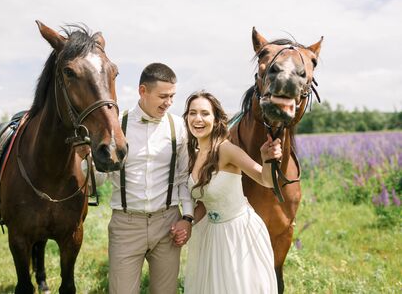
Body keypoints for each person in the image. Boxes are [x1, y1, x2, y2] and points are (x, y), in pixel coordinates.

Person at [99, 63, 194, 294]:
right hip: (126, 225)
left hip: (167, 223)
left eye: (172, 96)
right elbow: (99, 179)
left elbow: (183, 177)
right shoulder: (116, 125)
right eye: (163, 96)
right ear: (143, 91)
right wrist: (87, 159)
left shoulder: (178, 126)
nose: (168, 102)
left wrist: (188, 218)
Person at [182, 91, 280, 293]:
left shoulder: (227, 150)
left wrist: (268, 159)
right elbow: (203, 202)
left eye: (204, 113)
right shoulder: (193, 155)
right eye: (192, 113)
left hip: (238, 233)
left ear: (216, 119)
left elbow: (266, 180)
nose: (198, 119)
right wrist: (186, 223)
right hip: (212, 235)